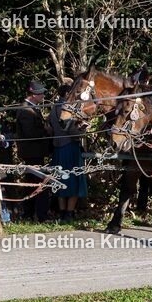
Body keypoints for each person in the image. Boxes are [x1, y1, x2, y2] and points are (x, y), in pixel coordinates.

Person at [12, 80, 52, 221]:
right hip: (32, 152)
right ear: (34, 95)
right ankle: (40, 215)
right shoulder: (25, 110)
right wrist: (45, 130)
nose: (43, 96)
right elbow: (29, 133)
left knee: (32, 182)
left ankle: (28, 214)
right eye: (41, 93)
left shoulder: (32, 108)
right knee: (38, 182)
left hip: (36, 151)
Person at [50, 86, 88, 222]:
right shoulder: (67, 109)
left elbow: (51, 127)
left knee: (60, 179)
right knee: (73, 179)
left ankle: (62, 212)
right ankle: (69, 213)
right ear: (67, 93)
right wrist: (83, 128)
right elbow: (71, 131)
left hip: (57, 146)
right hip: (70, 146)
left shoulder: (53, 108)